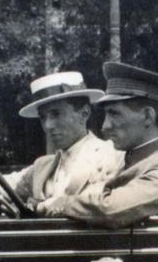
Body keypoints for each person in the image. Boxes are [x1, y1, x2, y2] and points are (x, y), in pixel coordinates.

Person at [37, 62, 158, 228]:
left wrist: (60, 203)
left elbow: (111, 209)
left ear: (148, 116)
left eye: (114, 114)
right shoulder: (129, 162)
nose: (105, 126)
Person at [9, 71, 122, 205]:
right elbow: (1, 185)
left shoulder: (111, 155)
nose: (48, 125)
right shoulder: (42, 166)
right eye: (42, 117)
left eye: (56, 114)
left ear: (84, 113)